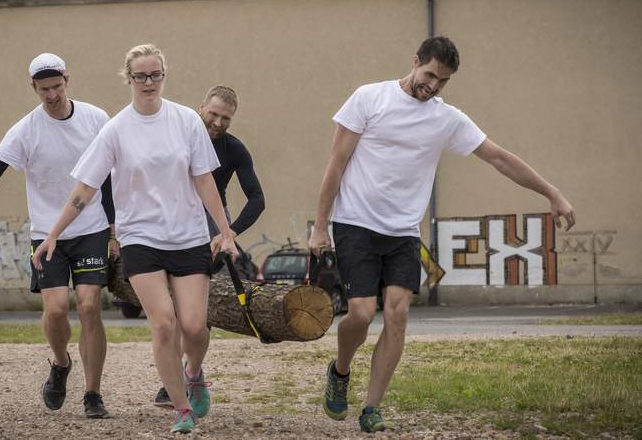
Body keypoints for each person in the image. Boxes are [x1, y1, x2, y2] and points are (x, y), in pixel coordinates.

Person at [308, 36, 576, 433]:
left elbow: (500, 158)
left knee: (397, 314)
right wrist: (319, 225)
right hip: (356, 223)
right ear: (415, 61)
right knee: (362, 314)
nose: (433, 86)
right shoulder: (369, 98)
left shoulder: (446, 119)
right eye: (430, 75)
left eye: (443, 81)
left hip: (402, 231)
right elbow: (337, 161)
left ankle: (372, 408)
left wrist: (552, 193)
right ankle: (341, 370)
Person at [31, 44, 238, 434]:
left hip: (189, 234)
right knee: (164, 324)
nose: (148, 82)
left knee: (194, 327)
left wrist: (224, 231)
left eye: (155, 75)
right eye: (141, 76)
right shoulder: (115, 130)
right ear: (129, 78)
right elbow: (84, 189)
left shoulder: (185, 121)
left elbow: (204, 179)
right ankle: (181, 410)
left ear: (163, 76)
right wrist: (53, 235)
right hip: (141, 238)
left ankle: (193, 373)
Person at [0, 53, 113, 419]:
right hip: (46, 235)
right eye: (44, 89)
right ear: (33, 88)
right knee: (56, 309)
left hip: (91, 228)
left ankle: (93, 394)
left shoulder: (96, 119)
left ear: (68, 80)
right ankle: (61, 364)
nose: (52, 95)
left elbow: (111, 175)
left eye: (57, 87)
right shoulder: (24, 131)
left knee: (91, 307)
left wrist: (114, 228)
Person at [152, 85, 265, 408]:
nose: (217, 122)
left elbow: (257, 199)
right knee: (168, 312)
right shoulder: (174, 135)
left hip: (210, 226)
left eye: (225, 118)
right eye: (213, 114)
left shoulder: (234, 149)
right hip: (170, 220)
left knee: (195, 315)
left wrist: (229, 233)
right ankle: (172, 382)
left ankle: (193, 373)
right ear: (201, 106)